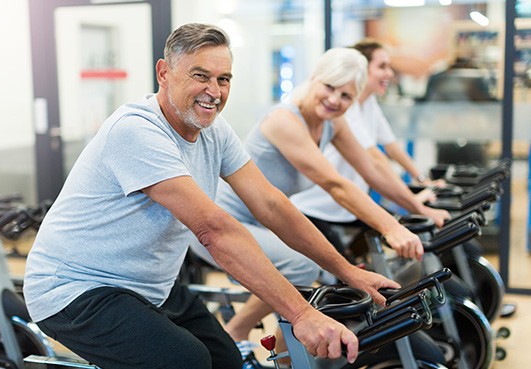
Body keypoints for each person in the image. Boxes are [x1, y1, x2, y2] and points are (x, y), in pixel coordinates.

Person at [23, 23, 401, 369]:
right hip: (76, 289)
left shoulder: (213, 131)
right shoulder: (136, 130)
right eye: (200, 76)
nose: (215, 91)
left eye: (224, 79)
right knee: (188, 361)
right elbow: (214, 230)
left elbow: (269, 203)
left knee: (226, 361)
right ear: (164, 73)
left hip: (148, 285)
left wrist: (348, 271)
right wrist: (301, 314)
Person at [189, 45, 450, 354]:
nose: (334, 100)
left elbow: (371, 170)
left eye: (346, 96)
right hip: (223, 221)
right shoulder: (283, 121)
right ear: (313, 78)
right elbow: (335, 184)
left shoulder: (331, 122)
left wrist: (420, 209)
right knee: (300, 267)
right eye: (329, 87)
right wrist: (391, 228)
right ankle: (237, 330)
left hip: (262, 222)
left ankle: (286, 358)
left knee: (318, 278)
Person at [290, 39, 447, 254]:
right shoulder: (344, 110)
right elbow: (374, 162)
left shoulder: (366, 104)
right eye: (382, 66)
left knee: (385, 243)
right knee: (339, 274)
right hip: (317, 206)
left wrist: (421, 182)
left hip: (348, 204)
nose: (389, 74)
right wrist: (414, 203)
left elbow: (390, 149)